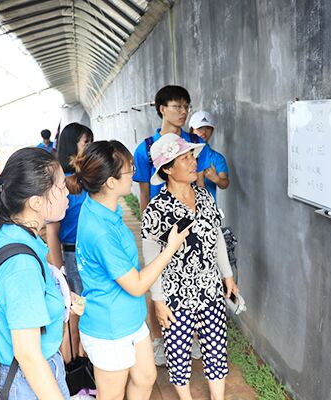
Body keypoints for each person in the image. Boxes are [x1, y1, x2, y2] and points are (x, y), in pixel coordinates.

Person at [71, 140, 191, 400]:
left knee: (145, 377)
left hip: (130, 318)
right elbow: (136, 285)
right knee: (112, 395)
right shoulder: (101, 231)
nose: (134, 175)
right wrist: (170, 248)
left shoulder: (101, 207)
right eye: (130, 170)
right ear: (110, 182)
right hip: (111, 327)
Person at [141, 133, 238, 400]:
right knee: (178, 352)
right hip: (175, 294)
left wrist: (227, 275)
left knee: (216, 347)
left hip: (210, 289)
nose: (193, 162)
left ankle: (217, 397)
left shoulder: (205, 196)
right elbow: (151, 258)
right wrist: (158, 300)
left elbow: (217, 237)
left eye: (192, 156)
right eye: (184, 158)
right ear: (168, 169)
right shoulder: (156, 209)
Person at [0, 147, 79, 399]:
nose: (67, 192)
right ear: (36, 202)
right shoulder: (22, 266)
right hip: (31, 383)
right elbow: (28, 355)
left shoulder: (11, 234)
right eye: (61, 187)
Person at [132, 85, 209, 363]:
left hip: (190, 220)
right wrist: (147, 228)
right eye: (177, 106)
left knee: (196, 278)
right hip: (161, 224)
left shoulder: (193, 142)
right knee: (157, 281)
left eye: (186, 106)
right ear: (162, 109)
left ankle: (195, 336)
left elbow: (200, 182)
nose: (183, 111)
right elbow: (144, 191)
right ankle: (158, 339)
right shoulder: (146, 148)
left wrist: (203, 218)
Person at [46, 122, 94, 362]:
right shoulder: (62, 184)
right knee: (75, 317)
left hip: (90, 253)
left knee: (88, 312)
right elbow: (52, 232)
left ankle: (86, 362)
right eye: (86, 142)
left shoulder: (88, 179)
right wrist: (60, 271)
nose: (90, 146)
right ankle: (75, 366)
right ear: (71, 146)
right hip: (72, 256)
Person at [189, 111, 230, 202]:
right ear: (191, 130)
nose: (204, 132)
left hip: (208, 207)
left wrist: (216, 179)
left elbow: (225, 183)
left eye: (208, 128)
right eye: (200, 128)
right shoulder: (182, 154)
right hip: (181, 206)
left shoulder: (217, 158)